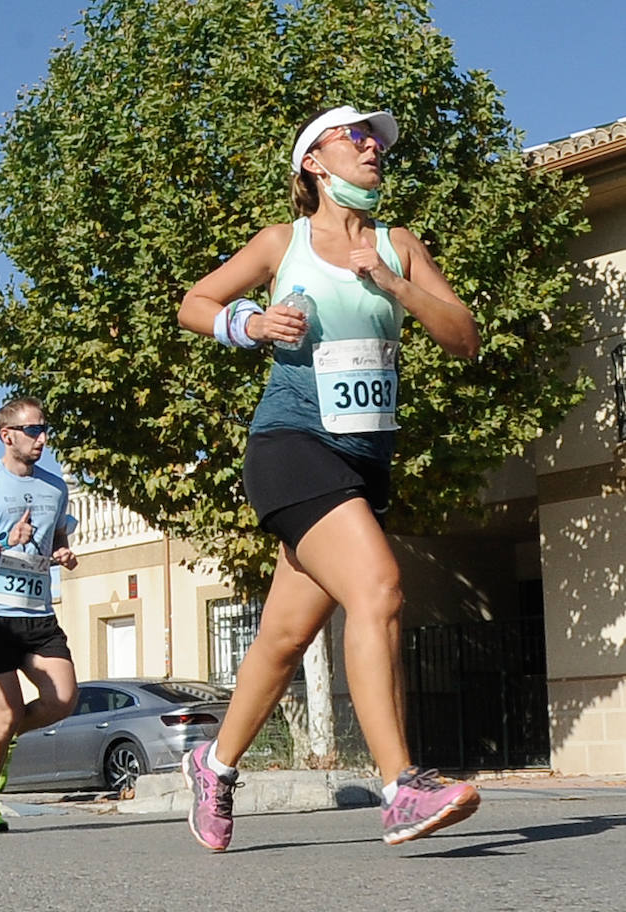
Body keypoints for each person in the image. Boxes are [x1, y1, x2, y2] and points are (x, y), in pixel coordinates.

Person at [176, 105, 482, 850]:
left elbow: (464, 337)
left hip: (362, 462)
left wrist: (394, 283)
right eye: (356, 136)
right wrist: (250, 324)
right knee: (378, 586)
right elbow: (194, 303)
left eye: (377, 137)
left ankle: (212, 765)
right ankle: (401, 786)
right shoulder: (283, 244)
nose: (373, 145)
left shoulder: (397, 245)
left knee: (283, 638)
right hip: (289, 445)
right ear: (314, 162)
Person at [0, 398, 78, 832]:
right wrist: (4, 540)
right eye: (33, 430)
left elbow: (57, 536)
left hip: (37, 611)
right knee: (7, 714)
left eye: (45, 429)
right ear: (7, 436)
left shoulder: (55, 487)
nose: (42, 438)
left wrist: (62, 551)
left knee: (64, 699)